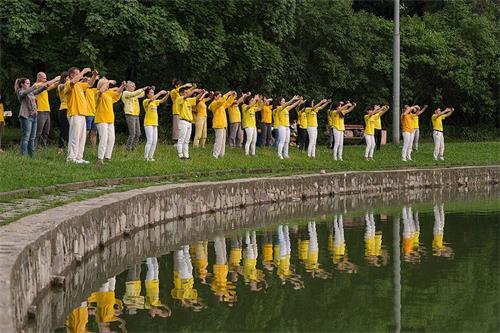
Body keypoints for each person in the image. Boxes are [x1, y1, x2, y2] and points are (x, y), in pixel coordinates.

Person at [15, 75, 59, 157]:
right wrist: (35, 85)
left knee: (32, 138)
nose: (29, 84)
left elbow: (39, 90)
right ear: (22, 84)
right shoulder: (20, 91)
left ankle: (31, 156)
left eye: (29, 83)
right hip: (26, 117)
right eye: (27, 83)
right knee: (26, 137)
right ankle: (22, 156)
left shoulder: (31, 92)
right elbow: (25, 93)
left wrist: (47, 84)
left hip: (34, 117)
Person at [65, 67, 98, 164]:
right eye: (78, 73)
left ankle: (79, 157)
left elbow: (90, 84)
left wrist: (94, 76)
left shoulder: (79, 85)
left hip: (82, 114)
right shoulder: (68, 84)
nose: (81, 75)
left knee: (82, 137)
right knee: (74, 136)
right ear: (72, 75)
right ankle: (71, 158)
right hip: (74, 113)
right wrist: (83, 71)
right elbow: (72, 82)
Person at [95, 78, 126, 165]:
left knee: (111, 138)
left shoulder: (109, 93)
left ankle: (108, 157)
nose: (108, 85)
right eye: (106, 84)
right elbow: (101, 91)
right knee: (103, 139)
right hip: (101, 119)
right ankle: (100, 158)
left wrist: (122, 86)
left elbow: (118, 92)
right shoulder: (97, 93)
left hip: (110, 119)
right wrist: (108, 81)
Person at [143, 87, 169, 161]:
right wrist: (160, 93)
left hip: (155, 124)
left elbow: (162, 100)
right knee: (150, 140)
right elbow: (151, 99)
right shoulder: (146, 101)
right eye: (151, 92)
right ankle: (145, 157)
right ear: (147, 95)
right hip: (148, 124)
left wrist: (167, 94)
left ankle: (150, 157)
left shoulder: (155, 102)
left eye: (153, 92)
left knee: (155, 141)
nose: (152, 94)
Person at [176, 87, 202, 159]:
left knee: (187, 141)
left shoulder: (188, 100)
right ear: (181, 93)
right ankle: (180, 155)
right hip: (183, 121)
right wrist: (194, 90)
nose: (187, 94)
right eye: (185, 92)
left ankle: (186, 155)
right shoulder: (180, 99)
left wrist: (201, 93)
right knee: (181, 139)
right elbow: (186, 96)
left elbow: (196, 98)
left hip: (189, 122)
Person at [34, 72, 59, 147]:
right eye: (44, 78)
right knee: (38, 132)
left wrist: (61, 79)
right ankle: (34, 147)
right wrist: (55, 79)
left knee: (46, 132)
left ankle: (42, 148)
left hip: (47, 111)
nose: (46, 79)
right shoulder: (36, 86)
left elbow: (54, 85)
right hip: (40, 111)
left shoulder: (44, 87)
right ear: (39, 78)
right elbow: (47, 84)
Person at [209, 91, 236, 159]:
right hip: (218, 125)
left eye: (221, 96)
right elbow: (221, 101)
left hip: (223, 125)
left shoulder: (221, 105)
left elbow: (228, 102)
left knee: (223, 141)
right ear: (215, 97)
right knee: (218, 141)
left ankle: (221, 155)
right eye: (219, 96)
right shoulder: (214, 104)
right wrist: (227, 94)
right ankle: (215, 155)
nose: (220, 97)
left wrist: (232, 96)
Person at [122, 81, 147, 151]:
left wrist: (148, 89)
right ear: (127, 87)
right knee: (132, 133)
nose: (134, 87)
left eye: (135, 86)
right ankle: (128, 148)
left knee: (138, 133)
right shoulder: (125, 93)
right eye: (133, 86)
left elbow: (142, 94)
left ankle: (133, 148)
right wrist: (143, 88)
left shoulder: (134, 94)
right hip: (130, 115)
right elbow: (135, 93)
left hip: (136, 115)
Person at [169, 80, 192, 145]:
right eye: (179, 85)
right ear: (176, 86)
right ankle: (176, 142)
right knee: (176, 127)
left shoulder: (182, 93)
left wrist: (193, 88)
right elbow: (178, 90)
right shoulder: (173, 91)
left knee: (182, 128)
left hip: (182, 112)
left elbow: (188, 93)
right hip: (176, 111)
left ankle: (182, 141)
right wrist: (185, 85)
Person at [56, 72, 70, 153]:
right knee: (64, 130)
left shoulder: (70, 86)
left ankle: (68, 148)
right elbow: (62, 86)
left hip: (70, 110)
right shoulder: (60, 86)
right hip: (64, 109)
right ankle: (60, 149)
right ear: (65, 78)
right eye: (68, 77)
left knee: (70, 130)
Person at [84, 77, 98, 146]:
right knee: (86, 131)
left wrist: (96, 78)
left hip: (94, 114)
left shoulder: (93, 90)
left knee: (94, 132)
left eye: (90, 80)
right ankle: (82, 146)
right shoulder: (84, 90)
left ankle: (93, 148)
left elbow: (101, 88)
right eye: (88, 80)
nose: (90, 82)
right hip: (87, 113)